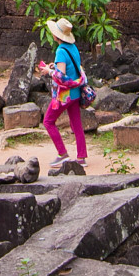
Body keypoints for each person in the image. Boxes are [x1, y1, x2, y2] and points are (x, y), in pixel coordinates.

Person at [40, 17, 88, 166]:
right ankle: (81, 157)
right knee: (76, 124)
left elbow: (61, 77)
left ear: (56, 36)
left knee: (48, 121)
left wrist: (49, 71)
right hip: (76, 93)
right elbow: (72, 70)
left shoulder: (61, 51)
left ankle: (62, 153)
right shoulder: (73, 48)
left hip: (64, 95)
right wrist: (54, 67)